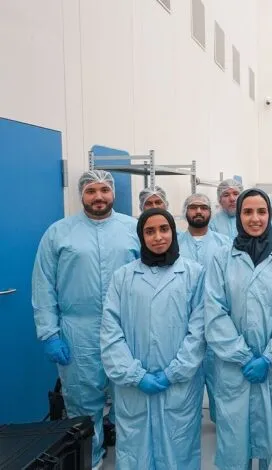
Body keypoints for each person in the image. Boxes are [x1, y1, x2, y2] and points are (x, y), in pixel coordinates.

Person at [32, 170, 140, 470]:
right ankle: (88, 459)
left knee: (129, 399)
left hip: (127, 329)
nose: (98, 197)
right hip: (77, 330)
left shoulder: (133, 229)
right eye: (91, 191)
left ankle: (131, 460)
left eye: (104, 190)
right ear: (81, 194)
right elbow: (43, 285)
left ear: (113, 194)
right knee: (82, 402)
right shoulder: (58, 233)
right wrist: (49, 333)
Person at [204, 188, 272, 470]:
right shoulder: (221, 258)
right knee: (235, 442)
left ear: (269, 215)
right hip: (234, 369)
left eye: (261, 212)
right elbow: (214, 313)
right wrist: (243, 356)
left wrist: (269, 356)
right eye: (247, 212)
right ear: (238, 216)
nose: (255, 218)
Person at [101, 209, 206, 469]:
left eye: (164, 229)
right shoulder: (122, 277)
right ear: (141, 236)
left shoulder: (194, 274)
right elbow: (110, 332)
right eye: (150, 231)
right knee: (136, 453)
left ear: (173, 231)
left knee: (178, 450)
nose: (158, 237)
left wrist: (175, 371)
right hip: (134, 388)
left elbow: (199, 331)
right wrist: (135, 375)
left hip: (179, 386)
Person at [177, 193, 231, 424]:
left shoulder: (225, 244)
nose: (198, 211)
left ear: (211, 212)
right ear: (185, 212)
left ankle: (224, 428)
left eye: (203, 207)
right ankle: (186, 426)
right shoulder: (174, 243)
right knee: (184, 380)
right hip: (182, 323)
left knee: (221, 381)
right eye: (193, 207)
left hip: (217, 321)